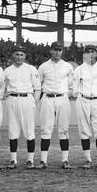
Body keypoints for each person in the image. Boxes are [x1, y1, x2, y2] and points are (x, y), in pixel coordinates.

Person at [37, 41, 74, 170]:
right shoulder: (43, 67)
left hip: (62, 98)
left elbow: (71, 85)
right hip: (48, 98)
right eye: (55, 49)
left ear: (62, 51)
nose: (57, 52)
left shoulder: (68, 66)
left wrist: (65, 94)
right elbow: (38, 84)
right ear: (50, 51)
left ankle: (65, 160)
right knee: (46, 129)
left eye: (59, 50)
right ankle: (43, 161)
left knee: (63, 129)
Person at [4, 45, 41, 170]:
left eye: (21, 54)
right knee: (13, 131)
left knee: (29, 131)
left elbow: (38, 88)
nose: (19, 57)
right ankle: (13, 160)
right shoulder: (7, 70)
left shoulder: (31, 69)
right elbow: (1, 88)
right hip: (12, 99)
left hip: (27, 99)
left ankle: (30, 160)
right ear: (13, 55)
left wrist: (33, 103)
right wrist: (5, 95)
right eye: (17, 54)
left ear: (25, 56)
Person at [73, 44, 97, 169]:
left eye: (92, 51)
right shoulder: (78, 69)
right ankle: (88, 160)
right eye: (87, 51)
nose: (90, 54)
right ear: (84, 54)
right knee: (84, 130)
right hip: (83, 99)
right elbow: (75, 87)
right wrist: (77, 95)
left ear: (96, 54)